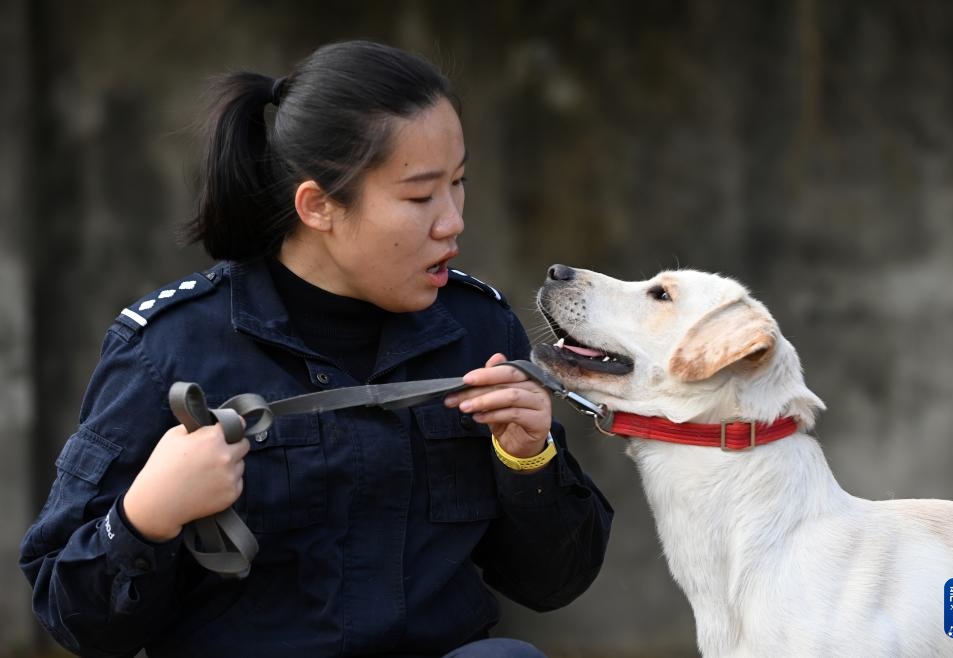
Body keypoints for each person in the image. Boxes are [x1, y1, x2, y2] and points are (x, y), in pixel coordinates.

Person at [19, 40, 613, 658]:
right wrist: (147, 516)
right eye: (419, 196)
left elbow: (554, 584)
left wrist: (529, 460)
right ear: (319, 206)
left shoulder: (479, 330)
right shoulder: (169, 349)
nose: (452, 219)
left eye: (459, 183)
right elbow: (73, 616)